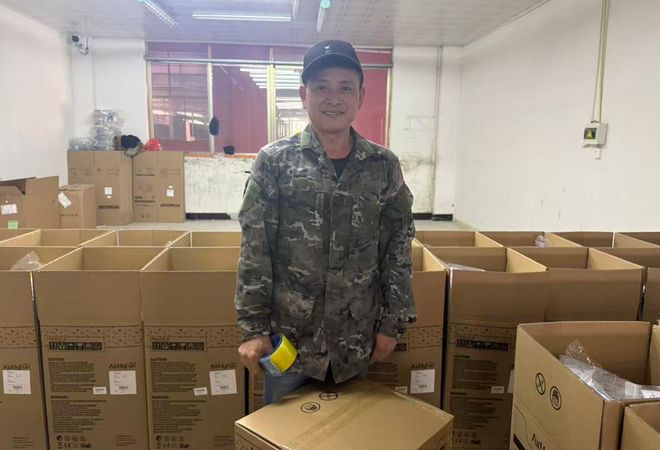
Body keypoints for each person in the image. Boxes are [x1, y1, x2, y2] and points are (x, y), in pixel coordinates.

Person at [235, 39, 416, 404]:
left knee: (352, 429)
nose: (334, 98)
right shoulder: (275, 162)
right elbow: (255, 249)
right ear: (304, 94)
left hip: (356, 340)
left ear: (360, 96)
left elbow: (397, 248)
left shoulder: (382, 166)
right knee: (286, 432)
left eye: (345, 88)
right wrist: (253, 328)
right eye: (321, 87)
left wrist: (392, 323)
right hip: (291, 342)